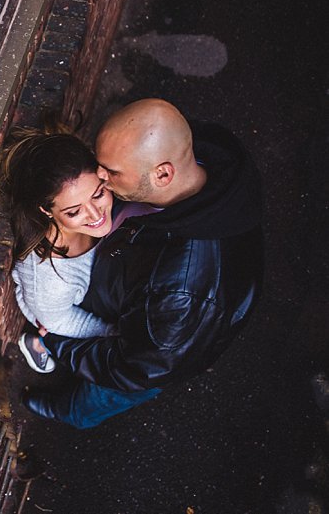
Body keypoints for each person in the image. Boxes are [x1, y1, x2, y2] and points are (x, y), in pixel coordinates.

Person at [26, 98, 264, 428]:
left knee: (99, 398)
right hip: (136, 308)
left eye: (112, 172)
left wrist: (57, 342)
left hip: (153, 356)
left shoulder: (182, 300)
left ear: (163, 173)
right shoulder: (198, 159)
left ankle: (67, 412)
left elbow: (132, 370)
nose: (99, 177)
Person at [0, 128, 133, 374]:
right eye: (73, 211)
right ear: (46, 211)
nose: (95, 215)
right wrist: (114, 333)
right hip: (57, 315)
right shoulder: (50, 280)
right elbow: (60, 320)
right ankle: (41, 344)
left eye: (99, 193)